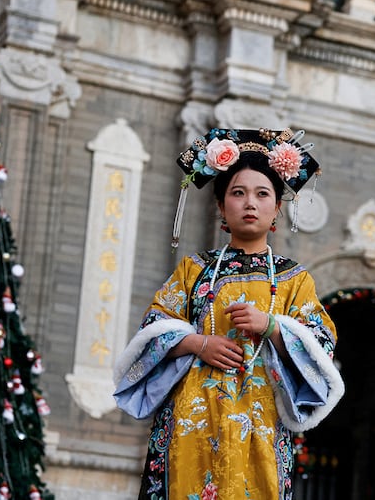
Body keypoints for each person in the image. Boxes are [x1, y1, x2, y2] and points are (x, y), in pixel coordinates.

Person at [113, 128, 345, 499]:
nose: (249, 203)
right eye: (237, 193)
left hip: (261, 422)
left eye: (262, 194)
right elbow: (152, 329)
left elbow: (321, 347)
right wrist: (197, 343)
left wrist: (270, 325)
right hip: (192, 421)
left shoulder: (293, 279)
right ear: (221, 207)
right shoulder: (193, 269)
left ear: (277, 210)